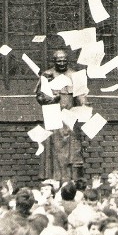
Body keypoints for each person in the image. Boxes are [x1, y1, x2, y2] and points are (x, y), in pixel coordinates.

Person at [36, 49, 87, 181]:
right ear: (54, 61)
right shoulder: (47, 74)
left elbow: (81, 98)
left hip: (70, 119)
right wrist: (52, 99)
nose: (62, 63)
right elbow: (40, 98)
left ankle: (70, 182)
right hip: (53, 118)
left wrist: (83, 103)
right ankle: (54, 180)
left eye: (64, 60)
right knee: (53, 152)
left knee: (72, 152)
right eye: (59, 61)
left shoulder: (75, 75)